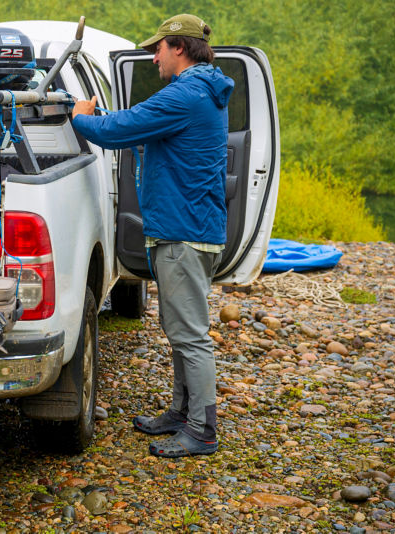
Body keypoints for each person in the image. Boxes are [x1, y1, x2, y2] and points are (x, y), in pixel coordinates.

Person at [71, 14, 233, 457]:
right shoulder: (201, 91)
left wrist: (80, 119)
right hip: (186, 228)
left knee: (190, 333)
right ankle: (182, 412)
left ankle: (202, 429)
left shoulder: (185, 94)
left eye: (157, 49)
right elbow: (142, 123)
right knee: (179, 327)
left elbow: (118, 131)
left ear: (178, 46)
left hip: (184, 232)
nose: (153, 57)